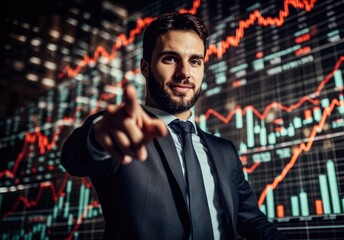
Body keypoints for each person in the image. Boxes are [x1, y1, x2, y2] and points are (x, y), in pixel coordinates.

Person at [61, 12, 287, 240]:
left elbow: (251, 221)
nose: (184, 73)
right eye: (170, 58)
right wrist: (98, 137)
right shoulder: (123, 132)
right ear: (145, 67)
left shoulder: (224, 151)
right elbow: (75, 158)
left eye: (195, 61)